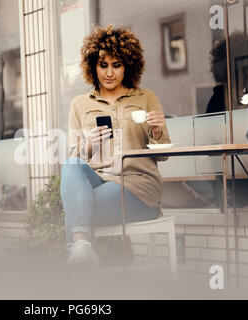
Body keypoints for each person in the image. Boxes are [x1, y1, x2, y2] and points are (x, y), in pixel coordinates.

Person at [61, 25, 171, 266]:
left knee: (76, 207)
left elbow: (163, 155)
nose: (109, 73)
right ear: (93, 66)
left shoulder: (146, 97)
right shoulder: (79, 104)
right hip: (100, 180)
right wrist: (89, 146)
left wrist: (157, 131)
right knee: (71, 164)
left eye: (117, 65)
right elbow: (74, 157)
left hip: (138, 187)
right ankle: (82, 248)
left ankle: (80, 249)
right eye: (103, 65)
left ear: (128, 66)